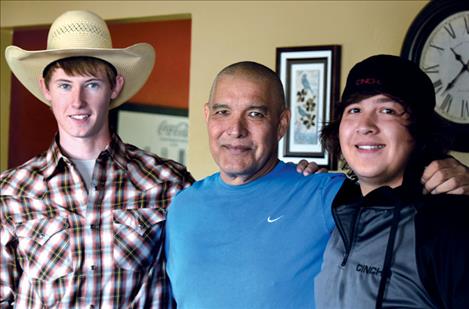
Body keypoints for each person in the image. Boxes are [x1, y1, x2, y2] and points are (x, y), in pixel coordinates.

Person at [165, 61, 469, 308]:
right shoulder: (181, 206)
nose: (235, 129)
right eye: (222, 112)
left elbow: (401, 188)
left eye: (255, 113)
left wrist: (457, 176)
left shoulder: (326, 194)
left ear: (282, 124)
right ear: (207, 116)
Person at [0, 10, 194, 308]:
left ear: (114, 86)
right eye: (65, 85)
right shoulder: (11, 191)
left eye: (92, 84)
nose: (77, 102)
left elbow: (202, 280)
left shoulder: (168, 182)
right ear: (45, 89)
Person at [315, 55, 469, 308]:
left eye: (387, 110)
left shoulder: (449, 224)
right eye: (354, 109)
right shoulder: (335, 204)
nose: (365, 126)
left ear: (420, 130)